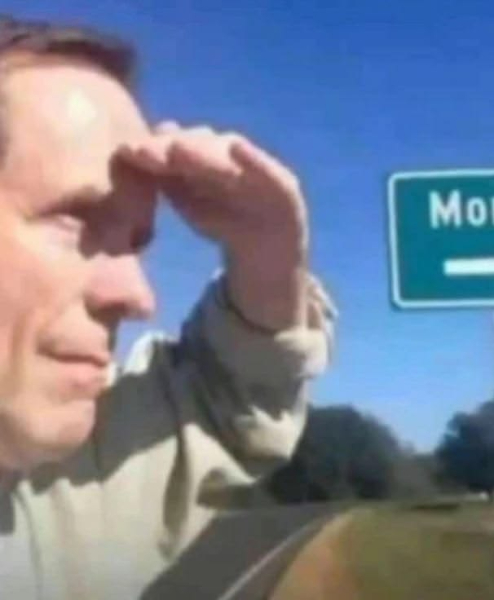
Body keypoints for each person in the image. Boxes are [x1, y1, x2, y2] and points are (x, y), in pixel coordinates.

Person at [0, 14, 336, 600]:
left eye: (135, 244)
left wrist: (268, 255)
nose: (139, 298)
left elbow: (228, 404)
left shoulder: (43, 503)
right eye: (77, 218)